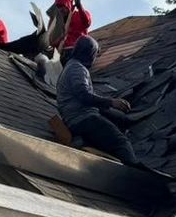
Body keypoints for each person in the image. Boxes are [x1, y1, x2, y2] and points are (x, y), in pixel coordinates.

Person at [56, 35, 141, 166]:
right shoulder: (76, 69)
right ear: (89, 54)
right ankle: (135, 169)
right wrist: (111, 102)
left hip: (76, 117)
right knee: (120, 142)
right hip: (82, 119)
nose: (95, 59)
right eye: (95, 55)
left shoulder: (71, 66)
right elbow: (84, 95)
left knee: (119, 119)